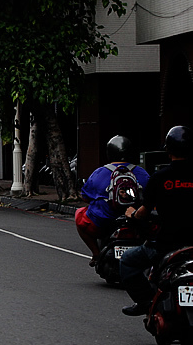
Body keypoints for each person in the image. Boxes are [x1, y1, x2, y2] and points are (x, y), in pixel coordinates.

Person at [120, 125, 193, 316]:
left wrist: (132, 214)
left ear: (168, 151)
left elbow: (143, 212)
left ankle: (146, 301)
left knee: (127, 261)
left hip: (166, 245)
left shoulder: (160, 178)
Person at [75, 135, 150, 265]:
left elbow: (86, 197)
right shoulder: (142, 173)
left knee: (79, 215)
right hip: (136, 220)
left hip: (105, 222)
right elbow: (151, 197)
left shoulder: (99, 173)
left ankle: (96, 254)